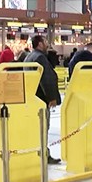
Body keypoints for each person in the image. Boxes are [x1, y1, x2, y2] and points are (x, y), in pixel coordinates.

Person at [25, 35, 62, 165]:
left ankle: (38, 154)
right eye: (45, 42)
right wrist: (52, 97)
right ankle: (44, 155)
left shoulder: (29, 56)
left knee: (35, 129)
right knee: (43, 128)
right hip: (41, 99)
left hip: (31, 99)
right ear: (40, 44)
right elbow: (47, 79)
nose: (47, 44)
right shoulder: (40, 57)